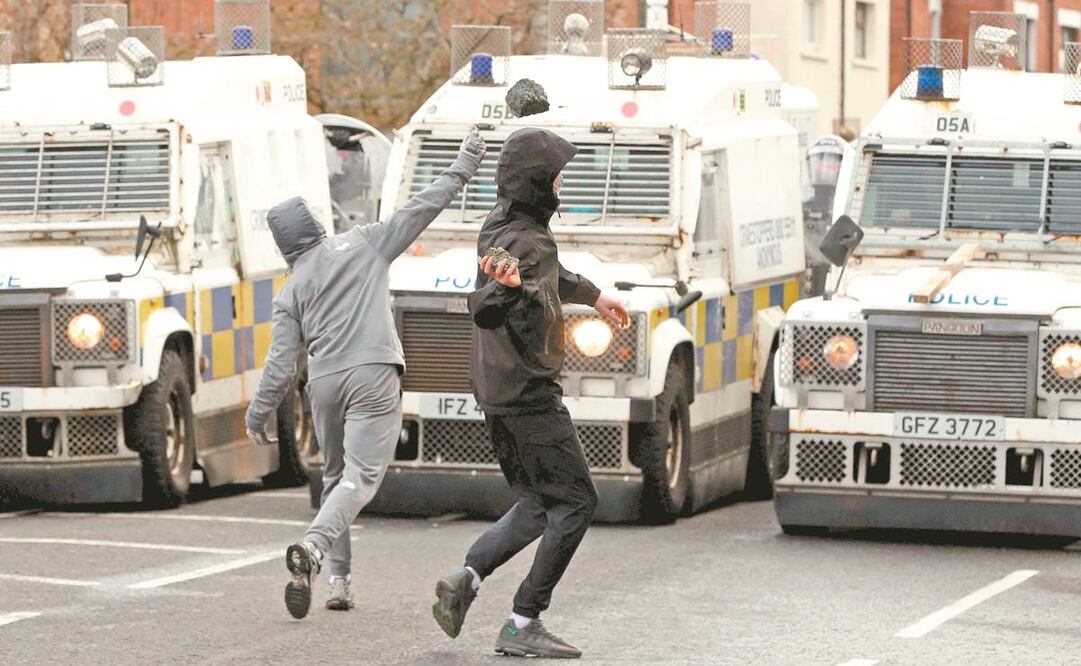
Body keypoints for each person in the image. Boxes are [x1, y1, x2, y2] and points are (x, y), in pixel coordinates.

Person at [245, 128, 486, 620]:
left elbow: (281, 363)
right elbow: (419, 209)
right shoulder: (365, 243)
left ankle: (338, 582)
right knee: (361, 477)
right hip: (372, 372)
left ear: (284, 246)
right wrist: (463, 167)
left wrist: (259, 412)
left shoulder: (291, 291)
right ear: (316, 226)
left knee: (336, 478)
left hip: (325, 384)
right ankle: (314, 549)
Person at [432, 128, 628, 659]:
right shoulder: (527, 243)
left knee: (537, 502)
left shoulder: (502, 225)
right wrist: (514, 292)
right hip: (530, 395)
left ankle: (467, 578)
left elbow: (549, 275)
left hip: (496, 390)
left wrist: (594, 295)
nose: (562, 182)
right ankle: (523, 621)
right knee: (577, 502)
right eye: (557, 174)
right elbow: (494, 304)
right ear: (539, 181)